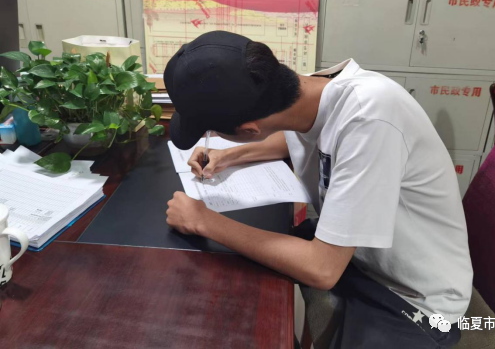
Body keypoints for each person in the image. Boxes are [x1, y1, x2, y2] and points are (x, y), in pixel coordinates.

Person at [164, 31, 473, 348]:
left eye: (213, 134)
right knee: (234, 270)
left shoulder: (370, 117)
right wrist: (230, 155)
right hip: (359, 258)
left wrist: (203, 220)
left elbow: (322, 270)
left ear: (249, 129)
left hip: (414, 296)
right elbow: (297, 134)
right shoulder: (308, 92)